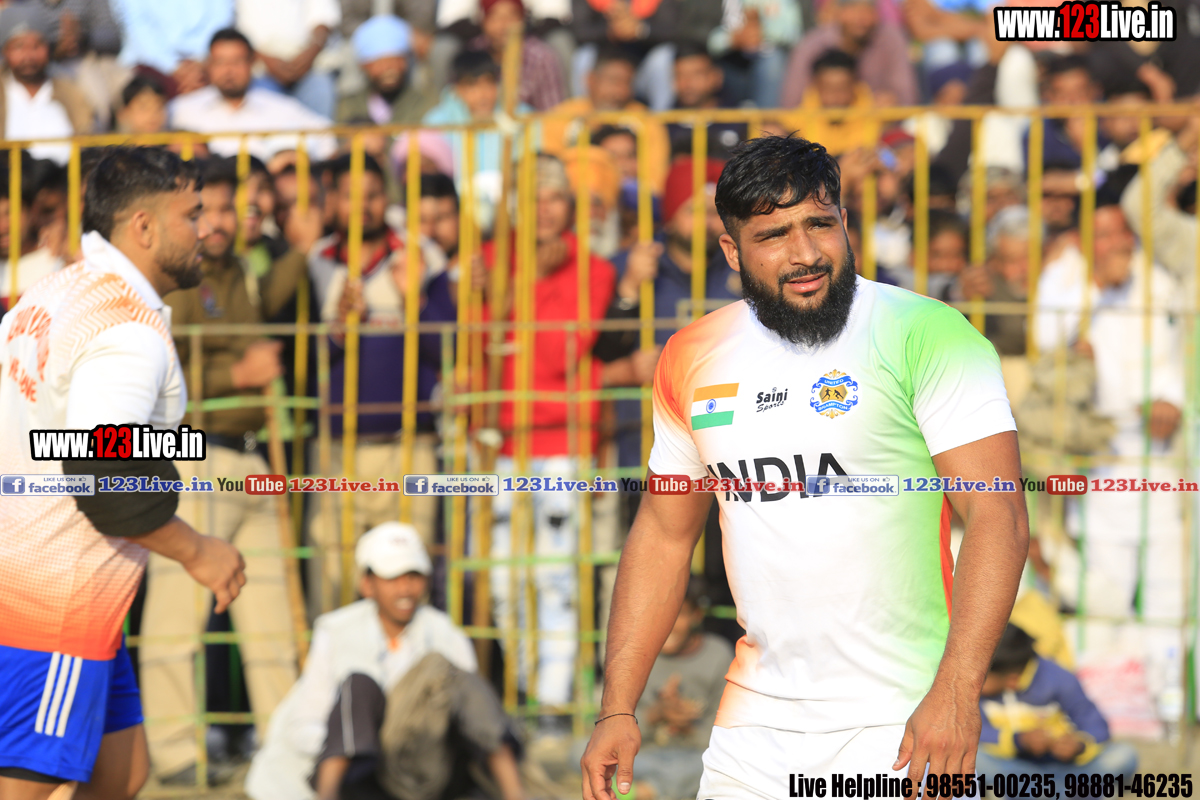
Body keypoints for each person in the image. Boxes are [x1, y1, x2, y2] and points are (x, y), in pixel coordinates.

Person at [581, 134, 1029, 795]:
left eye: (819, 224)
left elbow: (999, 514)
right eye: (773, 235)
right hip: (751, 729)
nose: (805, 253)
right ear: (731, 250)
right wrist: (617, 707)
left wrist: (958, 692)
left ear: (845, 222)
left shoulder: (929, 333)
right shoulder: (692, 355)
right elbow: (663, 536)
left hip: (901, 720)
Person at [0, 146, 247, 798]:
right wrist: (197, 550)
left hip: (63, 589)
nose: (207, 230)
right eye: (192, 215)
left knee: (123, 775)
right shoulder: (127, 331)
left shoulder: (57, 289)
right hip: (52, 600)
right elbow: (103, 473)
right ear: (143, 226)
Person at [138, 157, 301, 785]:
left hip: (254, 455)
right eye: (206, 211)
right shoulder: (173, 282)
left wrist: (304, 246)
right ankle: (176, 754)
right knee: (176, 617)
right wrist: (237, 374)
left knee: (273, 624)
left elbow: (290, 285)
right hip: (194, 453)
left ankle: (284, 752)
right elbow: (160, 373)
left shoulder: (242, 274)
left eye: (233, 209)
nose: (221, 222)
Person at [1033, 200, 1186, 720]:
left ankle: (1168, 708)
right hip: (1097, 457)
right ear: (1083, 239)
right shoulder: (1065, 278)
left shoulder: (1157, 279)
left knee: (1168, 592)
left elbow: (1179, 349)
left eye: (1122, 233)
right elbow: (1046, 339)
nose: (1116, 244)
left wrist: (1172, 396)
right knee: (1105, 594)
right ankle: (1109, 713)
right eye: (1102, 235)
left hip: (1160, 455)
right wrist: (1096, 285)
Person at [245, 523, 528, 800]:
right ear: (367, 584)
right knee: (359, 685)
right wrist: (361, 741)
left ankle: (515, 794)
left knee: (456, 677)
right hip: (362, 769)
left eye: (413, 576)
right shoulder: (336, 630)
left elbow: (474, 714)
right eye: (392, 578)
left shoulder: (445, 633)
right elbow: (305, 724)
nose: (405, 589)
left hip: (427, 766)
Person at [484, 154, 616, 727]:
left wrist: (525, 286)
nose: (544, 209)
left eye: (555, 196)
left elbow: (556, 353)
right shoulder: (487, 262)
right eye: (532, 197)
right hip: (497, 442)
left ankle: (555, 697)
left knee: (556, 576)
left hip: (564, 441)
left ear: (570, 205)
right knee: (502, 577)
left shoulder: (594, 270)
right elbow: (476, 353)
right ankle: (525, 689)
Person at [305, 152, 448, 615]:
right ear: (333, 200)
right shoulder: (316, 262)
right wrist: (338, 330)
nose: (362, 206)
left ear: (387, 198)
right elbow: (296, 360)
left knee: (411, 582)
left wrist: (415, 301)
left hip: (409, 444)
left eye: (372, 195)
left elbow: (449, 348)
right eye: (351, 195)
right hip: (336, 449)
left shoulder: (421, 256)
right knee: (333, 584)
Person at [976, 624, 1139, 778]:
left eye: (980, 675)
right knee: (976, 759)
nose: (971, 678)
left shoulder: (1059, 678)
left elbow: (1096, 726)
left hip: (1066, 767)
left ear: (1012, 680)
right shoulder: (977, 692)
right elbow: (978, 734)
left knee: (1122, 755)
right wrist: (1018, 741)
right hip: (1013, 766)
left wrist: (1078, 745)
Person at [169, 28, 337, 163]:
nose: (228, 71)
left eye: (237, 61)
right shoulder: (182, 110)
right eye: (220, 62)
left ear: (251, 63)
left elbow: (325, 134)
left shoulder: (280, 107)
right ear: (208, 65)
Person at [542, 44, 670, 194]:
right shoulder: (561, 116)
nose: (620, 92)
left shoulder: (646, 121)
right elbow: (550, 173)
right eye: (613, 81)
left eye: (627, 83)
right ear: (590, 80)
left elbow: (654, 183)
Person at [0, 4, 95, 165]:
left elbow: (87, 139)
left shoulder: (71, 92)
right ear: (5, 50)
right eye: (19, 46)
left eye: (37, 46)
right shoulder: (3, 92)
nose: (29, 56)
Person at [781, 0, 917, 107]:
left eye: (867, 10)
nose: (861, 19)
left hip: (876, 126)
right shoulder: (811, 46)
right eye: (853, 9)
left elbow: (907, 96)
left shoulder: (892, 39)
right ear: (838, 12)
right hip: (818, 127)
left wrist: (893, 102)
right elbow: (791, 105)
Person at [234, 0, 340, 118]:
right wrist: (266, 60)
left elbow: (324, 15)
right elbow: (237, 32)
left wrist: (308, 56)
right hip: (261, 71)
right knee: (264, 121)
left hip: (310, 67)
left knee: (320, 97)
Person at [111, 0, 232, 95]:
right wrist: (173, 67)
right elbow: (134, 27)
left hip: (206, 60)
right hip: (149, 61)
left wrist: (201, 62)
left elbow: (222, 19)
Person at [336, 14, 438, 125]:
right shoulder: (349, 106)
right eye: (380, 63)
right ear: (364, 66)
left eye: (395, 61)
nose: (389, 68)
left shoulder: (425, 104)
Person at [468, 0, 566, 111]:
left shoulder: (541, 58)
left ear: (523, 20)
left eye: (511, 17)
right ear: (483, 21)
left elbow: (552, 112)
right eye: (495, 18)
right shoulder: (473, 50)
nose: (503, 26)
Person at [781, 48, 880, 157]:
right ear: (816, 86)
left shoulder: (880, 116)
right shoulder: (794, 125)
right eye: (828, 89)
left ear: (854, 85)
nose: (835, 98)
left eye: (842, 89)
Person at [707, 0, 802, 109]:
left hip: (769, 59)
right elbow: (709, 39)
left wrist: (761, 31)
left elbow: (793, 34)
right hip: (731, 62)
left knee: (773, 63)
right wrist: (732, 39)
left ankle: (767, 118)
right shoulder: (728, 3)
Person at [665, 44, 746, 163]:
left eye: (697, 74)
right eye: (679, 75)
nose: (687, 83)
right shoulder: (663, 124)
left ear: (716, 76)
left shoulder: (741, 119)